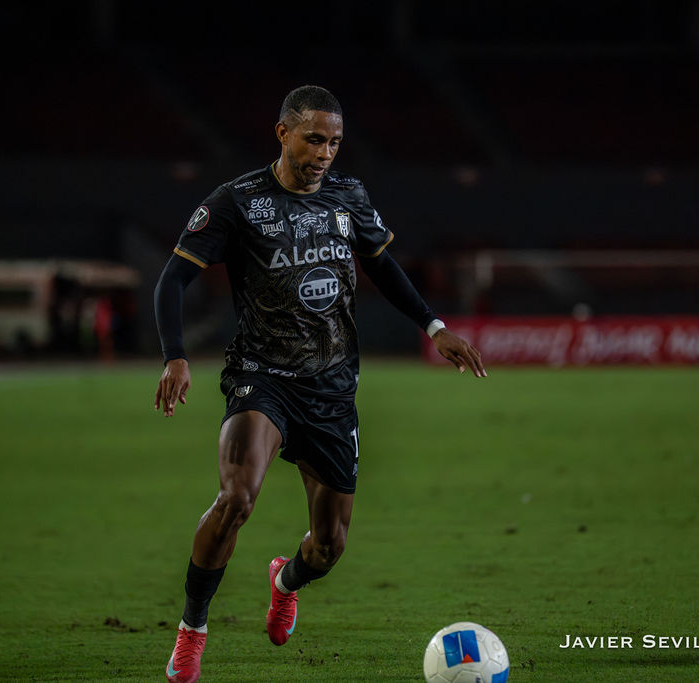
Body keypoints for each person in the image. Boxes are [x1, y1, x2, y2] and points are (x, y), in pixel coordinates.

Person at [153, 85, 486, 683]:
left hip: (332, 386)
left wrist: (434, 326)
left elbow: (383, 267)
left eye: (334, 142)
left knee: (329, 546)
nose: (325, 152)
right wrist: (176, 357)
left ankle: (284, 580)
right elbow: (172, 280)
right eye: (313, 139)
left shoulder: (348, 196)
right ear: (282, 133)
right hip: (262, 377)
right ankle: (192, 630)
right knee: (237, 498)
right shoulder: (238, 202)